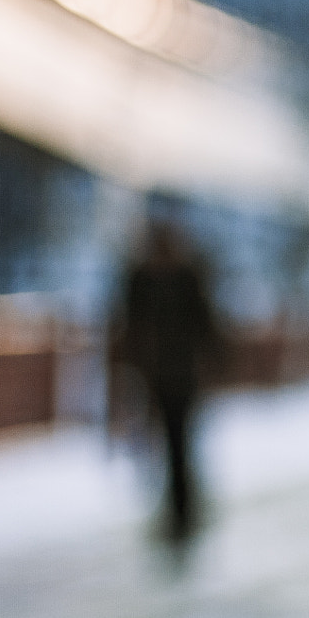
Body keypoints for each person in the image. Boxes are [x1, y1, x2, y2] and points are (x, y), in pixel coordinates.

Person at [111, 214, 225, 545]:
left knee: (179, 443)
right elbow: (130, 325)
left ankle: (183, 514)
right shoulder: (142, 279)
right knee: (163, 444)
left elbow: (204, 323)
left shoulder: (184, 277)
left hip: (181, 377)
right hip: (155, 377)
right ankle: (176, 512)